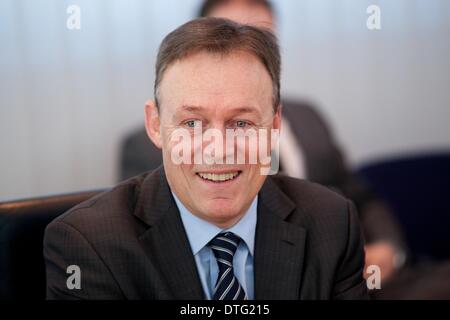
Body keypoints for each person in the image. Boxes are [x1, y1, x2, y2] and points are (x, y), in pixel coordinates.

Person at [44, 18, 369, 300]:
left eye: (241, 123)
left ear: (273, 127)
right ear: (156, 126)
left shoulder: (332, 222)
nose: (218, 149)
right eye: (192, 124)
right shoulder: (89, 244)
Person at [120, 0, 408, 291]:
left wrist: (390, 250)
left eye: (261, 35)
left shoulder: (309, 117)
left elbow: (360, 195)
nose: (219, 149)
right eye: (227, 34)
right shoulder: (144, 150)